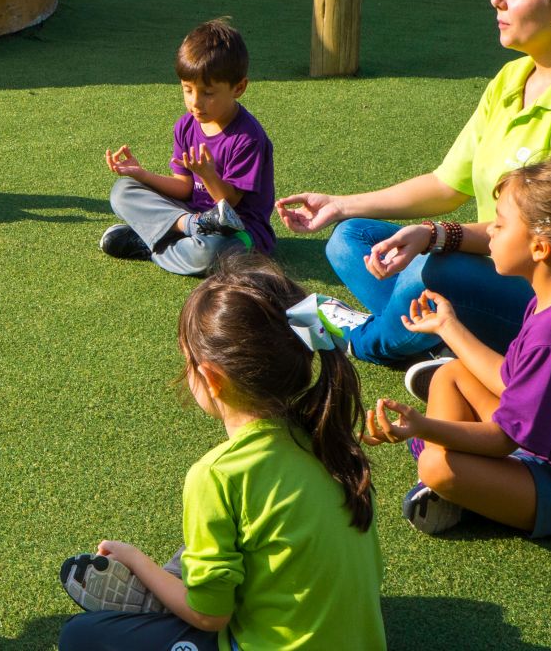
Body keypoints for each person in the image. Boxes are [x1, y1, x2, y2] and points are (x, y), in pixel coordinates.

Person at [276, 0, 551, 365]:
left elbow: (539, 234)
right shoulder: (511, 80)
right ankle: (444, 343)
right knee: (349, 238)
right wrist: (340, 205)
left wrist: (436, 236)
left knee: (432, 270)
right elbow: (446, 184)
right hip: (498, 263)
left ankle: (363, 339)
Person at [57, 256, 385, 651]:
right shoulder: (328, 441)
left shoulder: (216, 474)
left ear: (211, 377)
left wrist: (137, 562)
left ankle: (160, 595)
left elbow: (211, 616)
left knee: (80, 635)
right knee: (214, 542)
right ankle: (174, 588)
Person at [363, 157, 551, 539]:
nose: (489, 231)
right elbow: (510, 381)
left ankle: (446, 486)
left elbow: (503, 440)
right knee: (451, 374)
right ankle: (451, 484)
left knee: (438, 467)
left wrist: (421, 426)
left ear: (540, 248)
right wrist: (448, 326)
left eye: (500, 223)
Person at [100, 18, 275, 276]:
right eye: (187, 90)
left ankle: (149, 243)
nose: (195, 102)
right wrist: (141, 174)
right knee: (123, 190)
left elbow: (229, 206)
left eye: (208, 93)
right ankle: (185, 230)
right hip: (194, 218)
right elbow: (183, 187)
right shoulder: (185, 126)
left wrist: (207, 174)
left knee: (212, 254)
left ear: (238, 88)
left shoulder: (248, 138)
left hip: (240, 233)